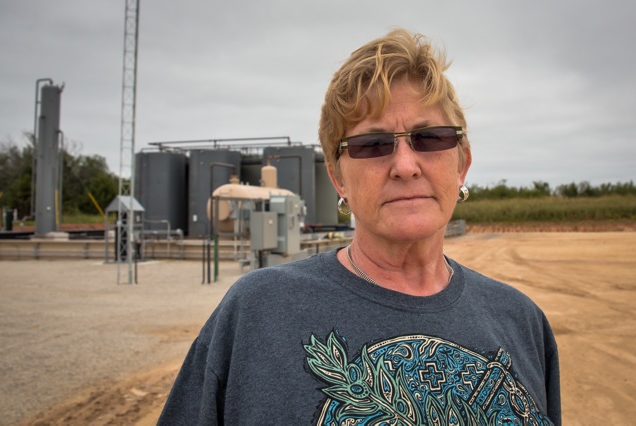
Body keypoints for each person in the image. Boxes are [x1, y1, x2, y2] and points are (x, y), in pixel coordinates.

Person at [158, 29, 561, 425]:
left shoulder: (522, 321)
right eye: (372, 144)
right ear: (337, 177)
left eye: (430, 137)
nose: (405, 166)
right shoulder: (257, 315)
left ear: (462, 164)